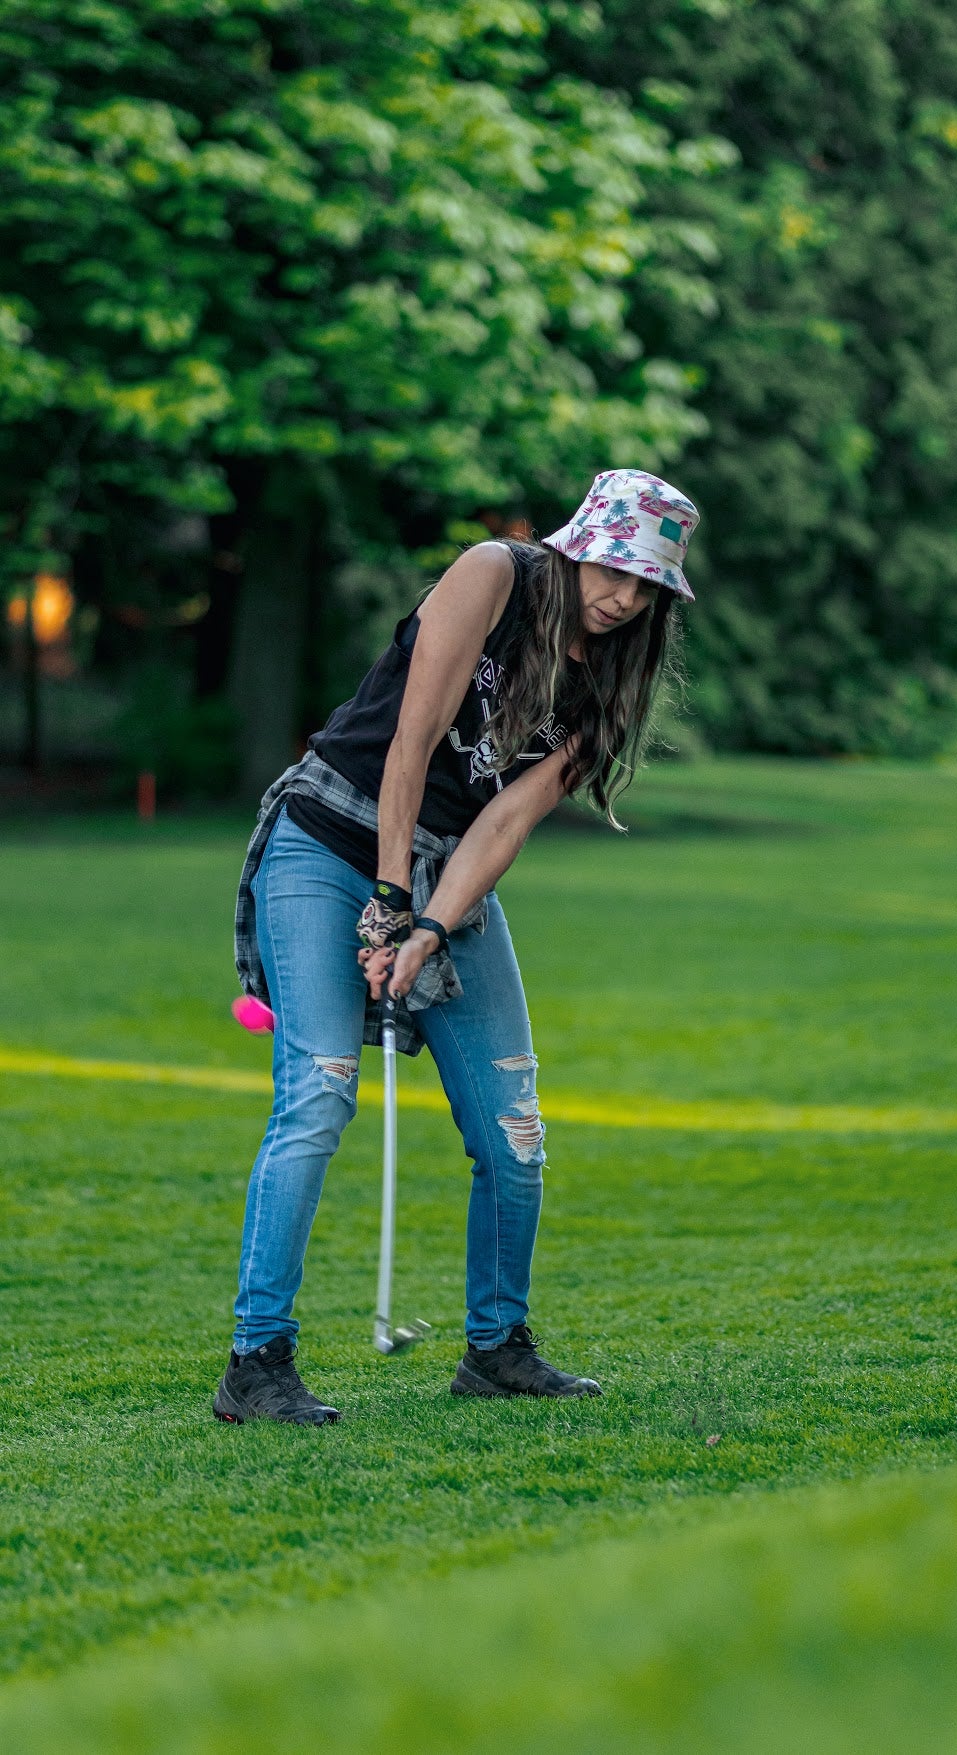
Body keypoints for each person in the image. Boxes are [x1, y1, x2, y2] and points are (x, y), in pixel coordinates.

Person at [214, 469, 700, 1424]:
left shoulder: (607, 682)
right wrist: (389, 897)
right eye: (614, 568)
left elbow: (504, 823)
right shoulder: (494, 576)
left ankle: (498, 1349)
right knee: (316, 1088)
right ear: (578, 542)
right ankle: (256, 1361)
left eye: (646, 586)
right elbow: (411, 740)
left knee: (514, 1129)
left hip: (449, 875)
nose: (623, 597)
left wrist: (430, 924)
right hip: (328, 838)